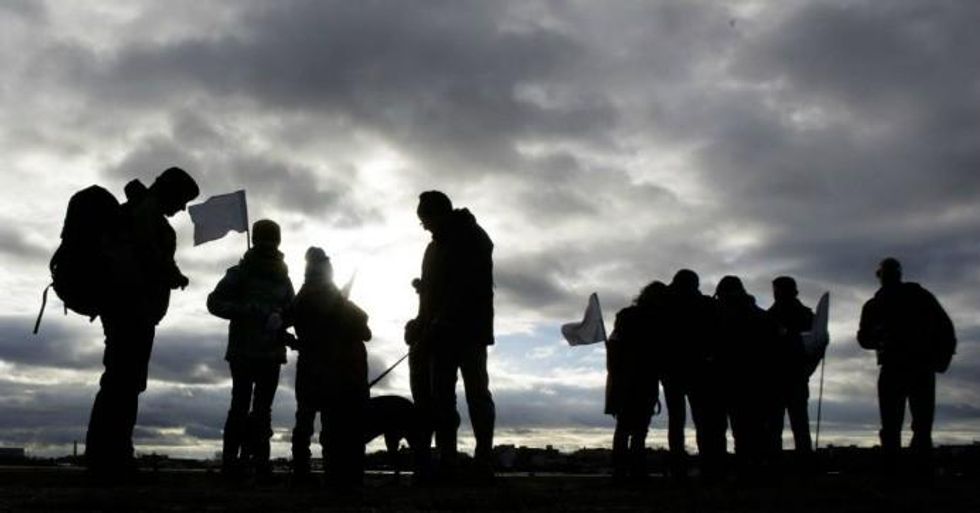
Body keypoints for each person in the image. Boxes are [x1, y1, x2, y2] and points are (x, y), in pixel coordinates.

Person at [84, 167, 199, 477]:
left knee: (122, 380)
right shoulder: (145, 213)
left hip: (128, 306)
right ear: (169, 192)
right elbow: (147, 255)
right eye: (182, 200)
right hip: (130, 307)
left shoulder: (137, 210)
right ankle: (111, 456)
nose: (182, 208)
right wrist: (173, 275)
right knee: (123, 381)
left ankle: (109, 454)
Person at [408, 190, 495, 481]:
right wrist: (421, 322)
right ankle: (448, 461)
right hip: (438, 336)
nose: (426, 228)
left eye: (427, 221)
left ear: (441, 214)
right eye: (423, 223)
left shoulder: (473, 238)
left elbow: (470, 287)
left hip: (469, 332)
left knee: (477, 396)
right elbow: (431, 296)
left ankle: (483, 461)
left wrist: (443, 319)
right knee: (441, 400)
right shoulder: (432, 249)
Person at [207, 220, 295, 480]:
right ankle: (232, 462)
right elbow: (215, 303)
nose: (269, 245)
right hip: (244, 352)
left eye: (272, 240)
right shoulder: (240, 273)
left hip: (269, 353)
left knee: (259, 410)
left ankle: (259, 462)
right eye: (266, 240)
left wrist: (281, 316)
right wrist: (246, 311)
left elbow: (293, 310)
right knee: (242, 407)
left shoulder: (283, 277)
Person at [857, 258, 956, 470]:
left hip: (914, 366)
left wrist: (941, 359)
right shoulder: (878, 304)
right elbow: (864, 338)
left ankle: (910, 469)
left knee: (913, 424)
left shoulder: (913, 298)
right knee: (902, 424)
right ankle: (904, 469)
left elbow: (944, 328)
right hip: (904, 367)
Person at [290, 247, 372, 488]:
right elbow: (364, 330)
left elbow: (291, 322)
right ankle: (333, 474)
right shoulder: (333, 299)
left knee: (306, 421)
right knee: (330, 424)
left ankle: (303, 473)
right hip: (332, 370)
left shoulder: (302, 297)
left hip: (311, 366)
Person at [714, 276, 779, 479]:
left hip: (728, 377)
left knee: (733, 428)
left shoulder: (718, 316)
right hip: (757, 378)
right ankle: (757, 466)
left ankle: (738, 467)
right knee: (754, 427)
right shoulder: (761, 316)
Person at [661, 269, 721, 481]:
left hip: (672, 370)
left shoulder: (666, 306)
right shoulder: (707, 305)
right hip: (700, 370)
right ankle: (708, 465)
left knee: (676, 421)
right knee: (703, 420)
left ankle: (678, 468)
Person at [606, 281, 666, 483]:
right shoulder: (659, 321)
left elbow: (614, 348)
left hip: (627, 379)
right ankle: (636, 470)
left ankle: (620, 471)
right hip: (645, 380)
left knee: (624, 428)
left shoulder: (626, 316)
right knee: (639, 430)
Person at [767, 276, 815, 466]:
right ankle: (804, 463)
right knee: (798, 423)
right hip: (795, 375)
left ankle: (775, 464)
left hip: (780, 376)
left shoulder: (770, 316)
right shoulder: (806, 314)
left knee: (776, 425)